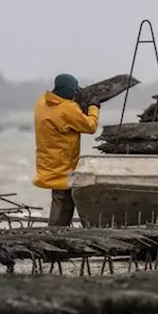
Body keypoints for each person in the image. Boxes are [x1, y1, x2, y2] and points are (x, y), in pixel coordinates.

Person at [33, 74, 99, 227]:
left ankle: (58, 229)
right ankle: (56, 231)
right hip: (64, 162)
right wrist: (93, 108)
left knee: (59, 197)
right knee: (64, 199)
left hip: (47, 159)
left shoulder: (42, 102)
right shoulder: (67, 109)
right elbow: (90, 126)